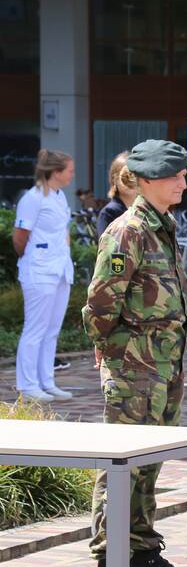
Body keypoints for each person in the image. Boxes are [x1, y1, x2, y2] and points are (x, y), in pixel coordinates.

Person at [83, 139, 187, 567]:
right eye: (175, 176)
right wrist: (115, 355)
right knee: (121, 468)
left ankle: (142, 553)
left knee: (149, 464)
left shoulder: (163, 225)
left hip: (165, 367)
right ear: (147, 180)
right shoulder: (127, 231)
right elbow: (99, 304)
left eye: (183, 174)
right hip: (135, 368)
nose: (184, 182)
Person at [12, 149, 76, 403]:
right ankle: (28, 385)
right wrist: (33, 258)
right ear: (56, 172)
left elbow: (63, 231)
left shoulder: (60, 196)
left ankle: (46, 382)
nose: (72, 174)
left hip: (60, 271)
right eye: (69, 170)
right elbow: (20, 237)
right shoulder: (33, 198)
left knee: (51, 330)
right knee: (35, 329)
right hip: (38, 271)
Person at [96, 151, 140, 238]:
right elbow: (106, 245)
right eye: (125, 176)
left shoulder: (143, 210)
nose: (129, 181)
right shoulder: (109, 213)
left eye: (133, 176)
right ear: (114, 180)